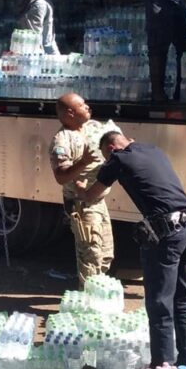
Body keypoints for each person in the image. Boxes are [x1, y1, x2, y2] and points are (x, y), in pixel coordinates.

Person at [76, 131, 186, 369]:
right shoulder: (152, 148)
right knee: (182, 300)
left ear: (111, 148)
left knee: (159, 305)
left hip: (167, 234)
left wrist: (79, 187)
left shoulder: (118, 159)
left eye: (105, 154)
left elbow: (92, 194)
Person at [50, 93, 114, 289]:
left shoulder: (92, 128)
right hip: (82, 205)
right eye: (82, 105)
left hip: (98, 202)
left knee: (105, 255)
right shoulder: (62, 141)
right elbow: (60, 176)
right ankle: (88, 302)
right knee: (90, 257)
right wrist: (83, 163)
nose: (87, 107)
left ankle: (98, 295)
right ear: (70, 112)